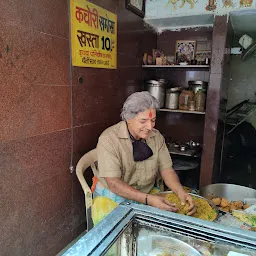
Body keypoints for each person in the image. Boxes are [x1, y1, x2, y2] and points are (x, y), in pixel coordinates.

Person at [92, 91, 195, 221]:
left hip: (148, 193)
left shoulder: (156, 137)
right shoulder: (109, 139)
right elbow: (113, 183)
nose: (150, 126)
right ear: (128, 118)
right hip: (114, 195)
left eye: (153, 120)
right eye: (143, 121)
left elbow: (167, 170)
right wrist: (147, 199)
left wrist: (181, 192)